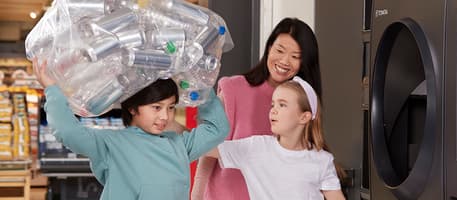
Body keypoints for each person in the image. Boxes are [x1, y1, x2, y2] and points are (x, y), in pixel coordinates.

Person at [33, 59, 230, 200]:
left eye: (171, 107)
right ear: (133, 108)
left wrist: (202, 88)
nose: (165, 116)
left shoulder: (179, 144)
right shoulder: (110, 144)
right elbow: (68, 132)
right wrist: (52, 91)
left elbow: (217, 129)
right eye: (156, 107)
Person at [191, 17, 324, 200]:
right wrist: (196, 196)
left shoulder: (304, 105)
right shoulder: (234, 89)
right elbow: (207, 152)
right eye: (280, 50)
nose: (285, 61)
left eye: (295, 57)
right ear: (269, 48)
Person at [206, 76, 346, 200]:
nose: (273, 110)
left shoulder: (322, 160)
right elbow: (202, 147)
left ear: (304, 117)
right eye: (273, 104)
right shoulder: (255, 148)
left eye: (282, 105)